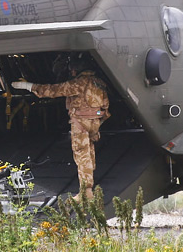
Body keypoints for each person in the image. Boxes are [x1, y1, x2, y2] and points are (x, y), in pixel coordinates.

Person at [12, 55, 110, 201]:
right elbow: (106, 107)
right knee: (89, 154)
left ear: (77, 70)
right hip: (94, 121)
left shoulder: (79, 83)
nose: (71, 73)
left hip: (80, 123)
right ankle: (90, 187)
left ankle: (86, 192)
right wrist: (96, 123)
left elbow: (54, 90)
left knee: (82, 155)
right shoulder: (100, 83)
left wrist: (29, 87)